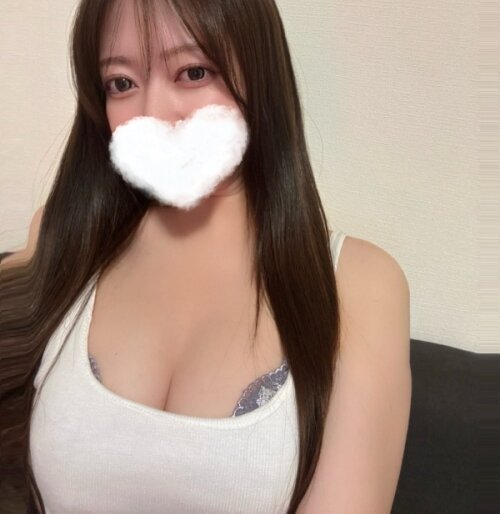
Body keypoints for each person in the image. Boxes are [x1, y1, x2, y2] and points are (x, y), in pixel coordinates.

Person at [0, 1, 412, 513]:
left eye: (193, 72)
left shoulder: (359, 284)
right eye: (121, 83)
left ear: (259, 75)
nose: (153, 114)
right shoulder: (64, 238)